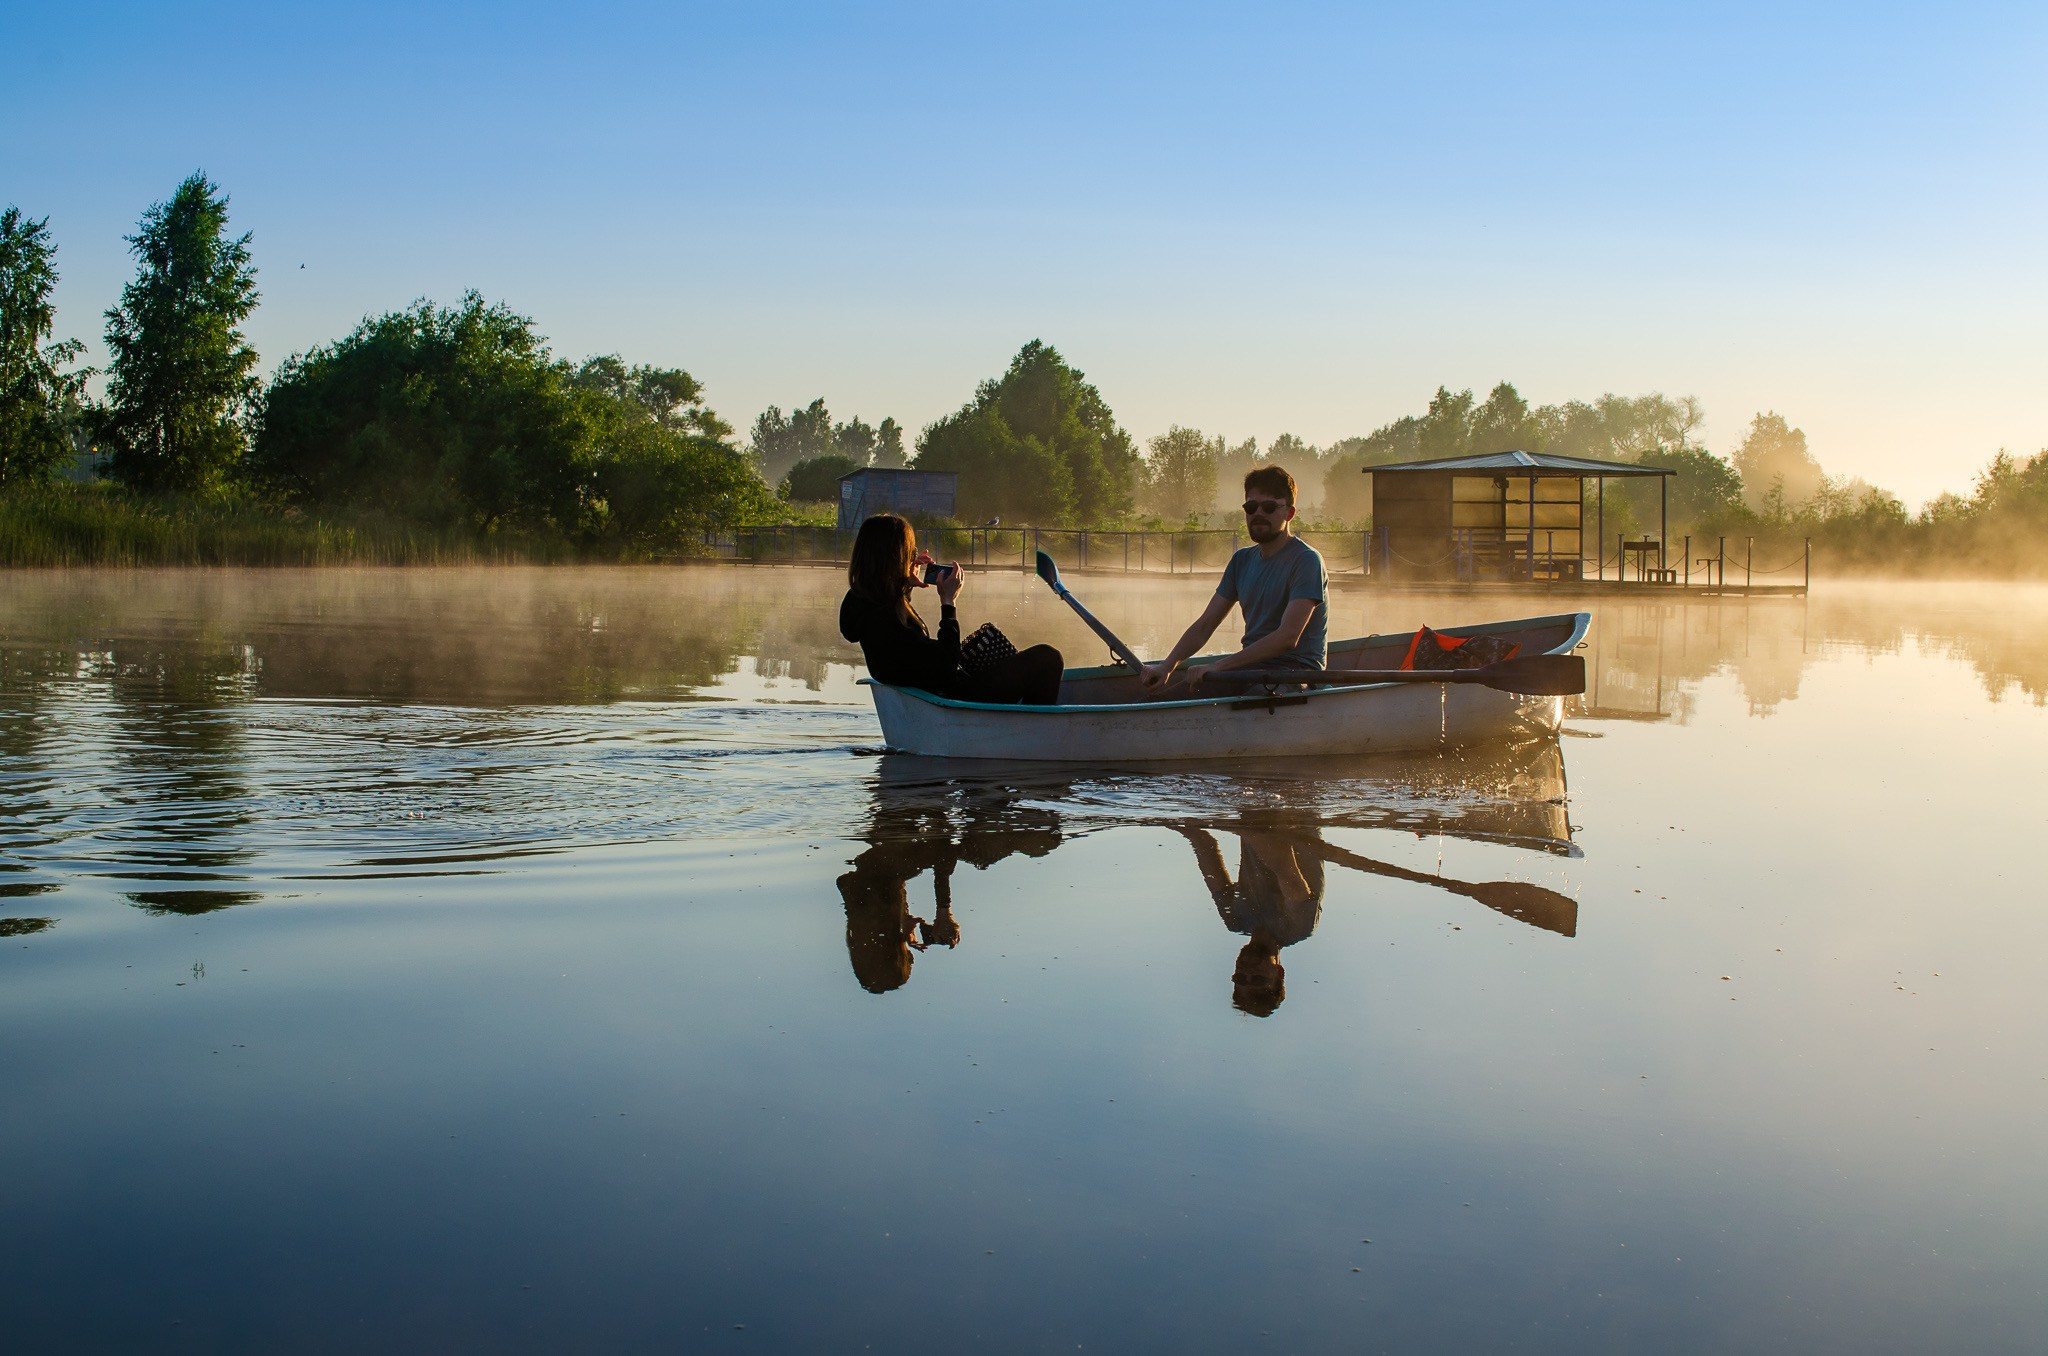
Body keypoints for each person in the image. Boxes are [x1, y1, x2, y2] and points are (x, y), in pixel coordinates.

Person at [838, 513, 1065, 705]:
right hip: (956, 698)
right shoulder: (883, 619)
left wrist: (905, 583)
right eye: (909, 552)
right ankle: (1031, 732)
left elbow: (902, 636)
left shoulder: (866, 605)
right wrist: (948, 603)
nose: (913, 557)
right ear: (896, 558)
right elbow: (945, 663)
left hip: (946, 691)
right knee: (1047, 658)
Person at [1141, 465, 1329, 692]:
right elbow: (1204, 625)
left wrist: (1218, 666)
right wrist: (1167, 666)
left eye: (1269, 507)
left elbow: (1287, 637)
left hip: (1294, 672)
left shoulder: (1307, 560)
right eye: (1251, 507)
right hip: (1250, 668)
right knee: (1169, 697)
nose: (1258, 514)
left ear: (1289, 513)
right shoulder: (1241, 561)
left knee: (1253, 696)